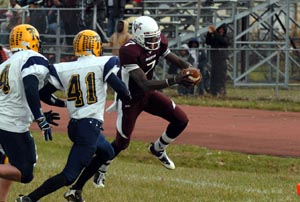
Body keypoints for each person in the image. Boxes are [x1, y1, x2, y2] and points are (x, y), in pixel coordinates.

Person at [70, 15, 194, 189]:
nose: (155, 42)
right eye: (150, 39)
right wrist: (175, 79)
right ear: (139, 37)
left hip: (148, 94)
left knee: (181, 120)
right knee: (122, 143)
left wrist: (189, 69)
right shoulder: (129, 51)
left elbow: (175, 59)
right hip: (130, 98)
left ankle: (158, 148)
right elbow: (142, 83)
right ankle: (102, 168)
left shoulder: (159, 41)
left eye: (156, 37)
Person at [15, 29, 132, 202]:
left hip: (75, 126)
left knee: (107, 152)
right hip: (88, 127)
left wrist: (64, 103)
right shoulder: (105, 62)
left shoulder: (64, 68)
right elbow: (120, 88)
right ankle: (29, 199)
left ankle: (76, 190)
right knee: (68, 175)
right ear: (96, 46)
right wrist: (129, 100)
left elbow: (43, 94)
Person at [0, 24, 63, 202]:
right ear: (30, 41)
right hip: (10, 125)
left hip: (5, 120)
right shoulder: (33, 57)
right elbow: (30, 87)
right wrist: (40, 117)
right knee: (25, 172)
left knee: (9, 162)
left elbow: (15, 97)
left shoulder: (6, 64)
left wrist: (42, 113)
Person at [205, 23, 229, 96]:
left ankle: (221, 91)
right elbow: (208, 42)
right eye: (220, 30)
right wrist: (209, 33)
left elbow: (223, 42)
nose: (221, 31)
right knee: (214, 76)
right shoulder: (215, 37)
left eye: (223, 30)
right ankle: (213, 91)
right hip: (215, 60)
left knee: (221, 76)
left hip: (222, 60)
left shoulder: (225, 38)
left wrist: (215, 32)